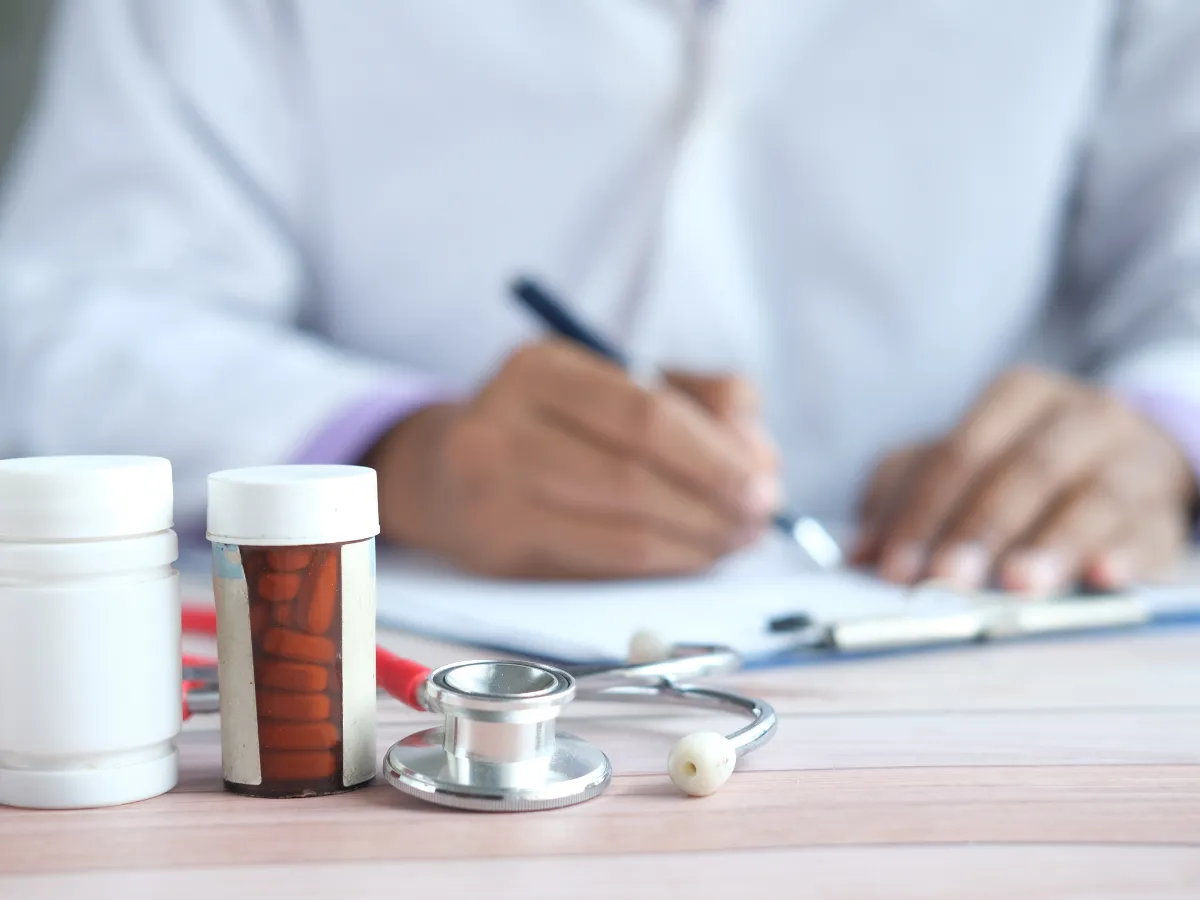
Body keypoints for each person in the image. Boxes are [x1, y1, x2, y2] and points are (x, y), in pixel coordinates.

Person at [0, 1, 1197, 595]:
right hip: (416, 655)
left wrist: (1161, 434)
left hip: (996, 644)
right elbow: (76, 305)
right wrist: (402, 460)